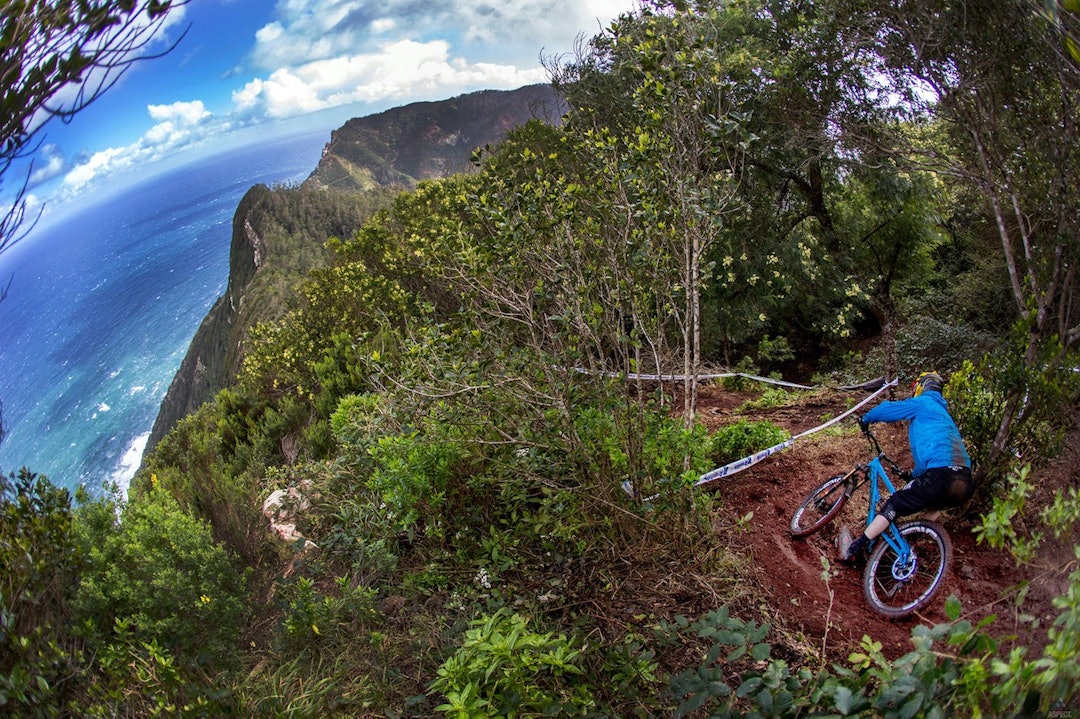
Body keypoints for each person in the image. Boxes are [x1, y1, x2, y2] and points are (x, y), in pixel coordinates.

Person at [838, 371, 973, 563]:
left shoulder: (924, 403)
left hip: (940, 474)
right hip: (964, 480)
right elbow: (931, 456)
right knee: (936, 507)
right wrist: (913, 476)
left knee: (895, 503)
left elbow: (887, 409)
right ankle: (907, 545)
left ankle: (854, 549)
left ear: (922, 386)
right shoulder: (943, 415)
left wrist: (866, 419)